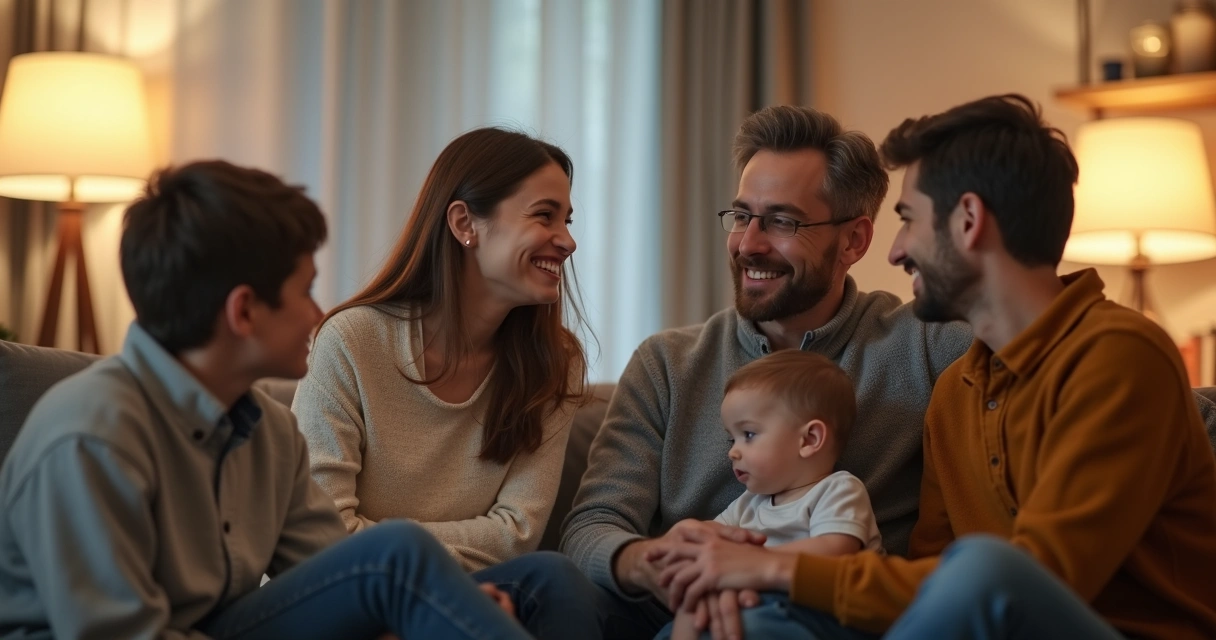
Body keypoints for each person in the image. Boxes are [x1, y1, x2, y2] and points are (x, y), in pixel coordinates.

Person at [650, 94, 1216, 640]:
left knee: (983, 569)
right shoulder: (955, 390)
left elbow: (1039, 577)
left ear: (968, 220)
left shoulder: (1119, 354)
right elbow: (925, 582)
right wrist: (737, 583)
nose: (895, 252)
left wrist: (772, 569)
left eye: (908, 219)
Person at [0, 160, 530, 639]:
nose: (318, 314)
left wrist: (437, 608)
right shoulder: (90, 436)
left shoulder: (272, 434)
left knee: (507, 578)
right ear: (244, 312)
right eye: (305, 291)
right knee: (399, 553)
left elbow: (347, 582)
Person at [553, 104, 973, 640]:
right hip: (672, 601)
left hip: (818, 617)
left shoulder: (931, 345)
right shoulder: (667, 363)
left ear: (854, 241)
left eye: (781, 221)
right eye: (741, 216)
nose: (748, 242)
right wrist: (660, 565)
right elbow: (592, 527)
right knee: (544, 581)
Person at [292, 127, 589, 571]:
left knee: (554, 576)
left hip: (470, 589)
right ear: (464, 224)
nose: (567, 241)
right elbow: (322, 533)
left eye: (566, 220)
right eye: (544, 216)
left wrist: (390, 540)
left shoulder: (556, 362)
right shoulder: (352, 342)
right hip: (348, 594)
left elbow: (518, 534)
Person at [654, 349, 882, 640]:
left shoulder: (839, 490)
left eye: (748, 435)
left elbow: (835, 552)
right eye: (731, 438)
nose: (732, 451)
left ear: (809, 440)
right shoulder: (748, 503)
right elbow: (714, 538)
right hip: (761, 606)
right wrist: (688, 541)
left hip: (827, 615)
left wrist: (748, 563)